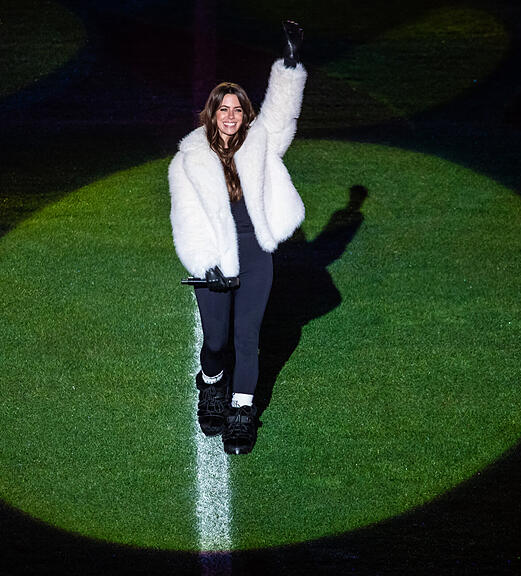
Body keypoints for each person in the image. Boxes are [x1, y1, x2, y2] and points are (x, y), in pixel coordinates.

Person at [168, 21, 306, 455]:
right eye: (223, 109)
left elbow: (281, 116)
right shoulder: (188, 159)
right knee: (217, 341)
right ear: (212, 113)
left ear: (246, 115)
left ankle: (242, 413)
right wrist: (206, 261)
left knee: (248, 337)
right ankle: (210, 387)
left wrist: (289, 64)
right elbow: (186, 217)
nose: (231, 117)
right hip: (214, 258)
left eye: (238, 110)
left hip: (255, 254)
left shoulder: (260, 145)